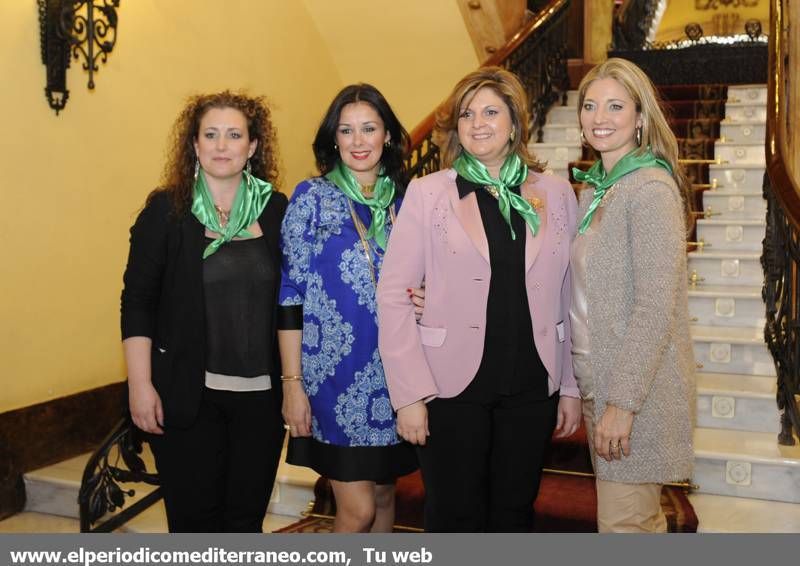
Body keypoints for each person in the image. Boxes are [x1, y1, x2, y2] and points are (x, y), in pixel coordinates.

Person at [376, 67, 581, 532]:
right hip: (451, 388)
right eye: (467, 113)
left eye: (491, 111)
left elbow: (569, 294)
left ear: (515, 121)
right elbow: (393, 294)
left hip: (532, 384)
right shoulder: (430, 194)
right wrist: (408, 395)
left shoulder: (554, 192)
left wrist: (569, 385)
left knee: (514, 513)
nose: (478, 122)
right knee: (453, 517)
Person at [121, 91, 287, 532]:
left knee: (244, 525)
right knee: (194, 527)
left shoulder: (276, 211)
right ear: (194, 144)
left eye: (234, 135)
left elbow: (298, 299)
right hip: (188, 398)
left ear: (252, 146)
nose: (221, 145)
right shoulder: (167, 210)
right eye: (210, 134)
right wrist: (140, 384)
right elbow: (137, 302)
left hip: (261, 403)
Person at [278, 84, 418, 533]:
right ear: (333, 139)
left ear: (388, 136)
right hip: (332, 379)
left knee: (383, 494)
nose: (358, 141)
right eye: (347, 130)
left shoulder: (406, 201)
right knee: (356, 510)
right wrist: (292, 384)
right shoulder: (311, 198)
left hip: (395, 377)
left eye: (369, 128)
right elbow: (289, 296)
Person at [570, 57, 695, 533]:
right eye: (590, 105)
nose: (599, 117)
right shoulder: (599, 190)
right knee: (637, 527)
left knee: (625, 529)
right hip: (597, 382)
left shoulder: (649, 188)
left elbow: (654, 307)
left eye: (615, 106)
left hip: (632, 392)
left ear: (640, 118)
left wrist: (622, 405)